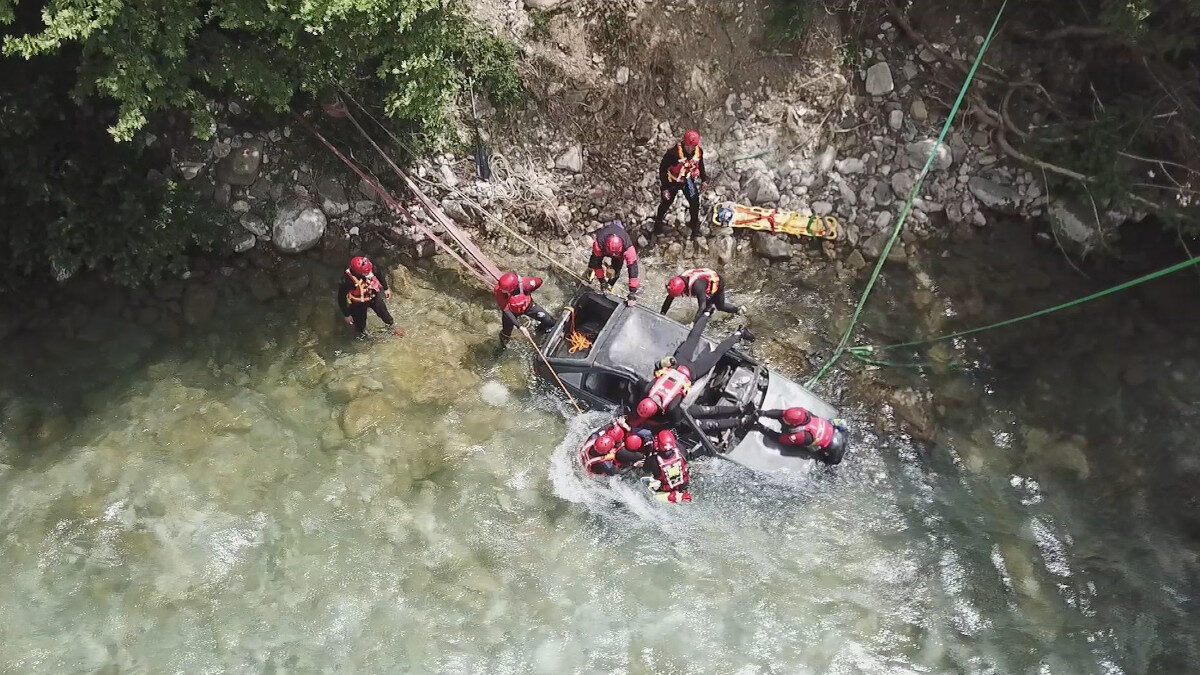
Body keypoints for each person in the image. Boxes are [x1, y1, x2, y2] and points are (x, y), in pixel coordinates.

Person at [635, 307, 755, 422]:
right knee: (693, 338)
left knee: (717, 353)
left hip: (692, 372)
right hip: (677, 363)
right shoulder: (648, 390)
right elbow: (640, 382)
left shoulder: (670, 406)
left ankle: (739, 333)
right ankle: (707, 313)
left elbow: (676, 419)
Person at [650, 129, 707, 243]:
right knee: (666, 202)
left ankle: (693, 225)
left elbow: (700, 165)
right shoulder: (673, 153)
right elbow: (662, 169)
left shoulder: (698, 151)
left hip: (686, 179)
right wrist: (665, 187)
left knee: (694, 201)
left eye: (693, 146)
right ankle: (658, 225)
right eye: (688, 146)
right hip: (672, 180)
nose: (690, 149)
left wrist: (704, 180)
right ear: (684, 143)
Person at [338, 256, 403, 339]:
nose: (369, 274)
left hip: (373, 296)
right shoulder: (347, 281)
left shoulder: (370, 267)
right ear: (358, 273)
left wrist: (386, 288)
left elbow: (379, 274)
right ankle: (365, 339)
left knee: (384, 314)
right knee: (360, 327)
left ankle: (392, 327)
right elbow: (341, 298)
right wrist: (346, 315)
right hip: (358, 304)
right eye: (366, 273)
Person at [757, 407, 849, 465]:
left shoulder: (803, 435)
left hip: (835, 450)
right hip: (838, 432)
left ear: (794, 424)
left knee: (814, 453)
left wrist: (761, 428)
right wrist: (763, 413)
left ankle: (820, 457)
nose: (783, 418)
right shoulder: (804, 412)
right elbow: (782, 413)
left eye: (786, 419)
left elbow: (780, 439)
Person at [494, 271, 555, 349]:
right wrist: (520, 327)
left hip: (528, 306)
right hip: (511, 312)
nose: (501, 290)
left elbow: (539, 281)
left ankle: (540, 330)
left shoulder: (527, 283)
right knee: (506, 333)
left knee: (549, 321)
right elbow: (506, 310)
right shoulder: (498, 290)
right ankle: (501, 346)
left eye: (504, 290)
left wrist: (528, 291)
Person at [585, 220, 640, 304]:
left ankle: (610, 285)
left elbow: (633, 269)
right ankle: (589, 271)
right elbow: (597, 263)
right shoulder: (599, 243)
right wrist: (602, 281)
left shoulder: (628, 248)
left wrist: (632, 291)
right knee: (594, 261)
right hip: (605, 245)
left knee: (615, 271)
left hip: (619, 254)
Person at [661, 268, 742, 321]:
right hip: (704, 285)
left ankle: (738, 310)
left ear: (683, 289)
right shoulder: (678, 282)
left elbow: (701, 307)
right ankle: (708, 316)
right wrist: (662, 314)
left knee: (719, 306)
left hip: (717, 283)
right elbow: (669, 298)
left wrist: (693, 324)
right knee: (707, 308)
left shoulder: (697, 286)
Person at [579, 425, 649, 476]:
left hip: (586, 459)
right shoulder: (606, 464)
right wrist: (634, 465)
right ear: (608, 451)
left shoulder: (594, 437)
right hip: (595, 470)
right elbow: (619, 472)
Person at [643, 429, 692, 503]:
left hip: (666, 491)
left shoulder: (654, 461)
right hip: (684, 485)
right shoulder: (681, 449)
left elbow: (645, 469)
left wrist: (649, 452)